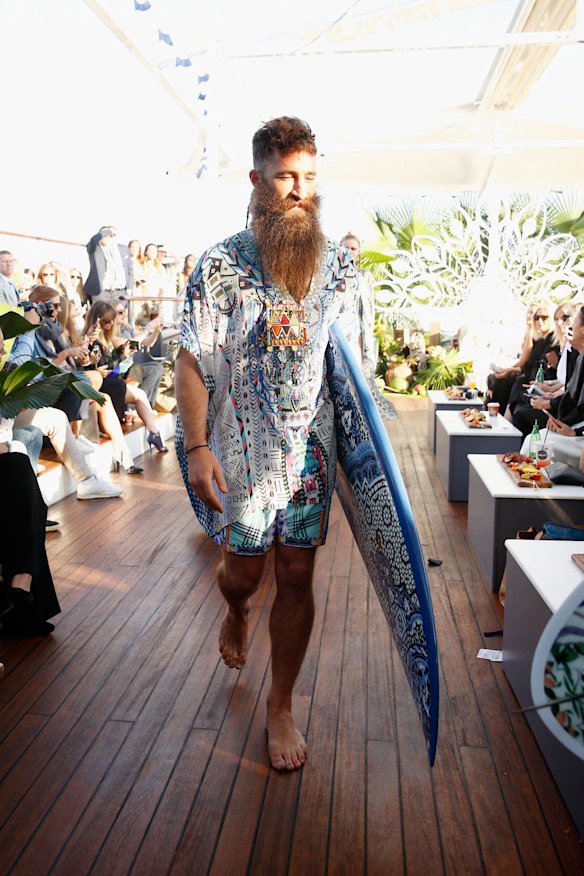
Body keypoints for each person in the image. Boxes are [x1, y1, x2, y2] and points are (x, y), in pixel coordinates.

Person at [175, 116, 357, 771]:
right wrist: (197, 448)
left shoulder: (338, 266)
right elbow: (192, 358)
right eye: (286, 176)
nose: (299, 190)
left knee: (299, 575)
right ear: (257, 180)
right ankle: (235, 611)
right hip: (245, 452)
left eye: (309, 177)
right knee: (244, 574)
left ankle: (280, 704)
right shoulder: (220, 266)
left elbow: (350, 369)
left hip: (311, 449)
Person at [518, 303, 584, 466]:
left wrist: (575, 431)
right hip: (574, 427)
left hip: (579, 436)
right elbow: (571, 393)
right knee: (534, 438)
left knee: (533, 442)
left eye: (572, 322)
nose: (568, 325)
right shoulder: (580, 355)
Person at [339, 232, 376, 373]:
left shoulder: (365, 276)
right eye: (346, 248)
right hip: (339, 329)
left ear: (359, 252)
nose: (349, 251)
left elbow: (369, 306)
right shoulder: (333, 276)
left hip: (359, 331)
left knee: (359, 372)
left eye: (353, 249)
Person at [85, 226, 133, 304]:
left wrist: (129, 289)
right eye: (106, 234)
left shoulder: (123, 249)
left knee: (119, 315)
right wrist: (107, 231)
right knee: (103, 315)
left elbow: (129, 270)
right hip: (101, 293)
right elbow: (93, 240)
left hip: (120, 292)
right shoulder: (95, 249)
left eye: (111, 235)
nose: (109, 236)